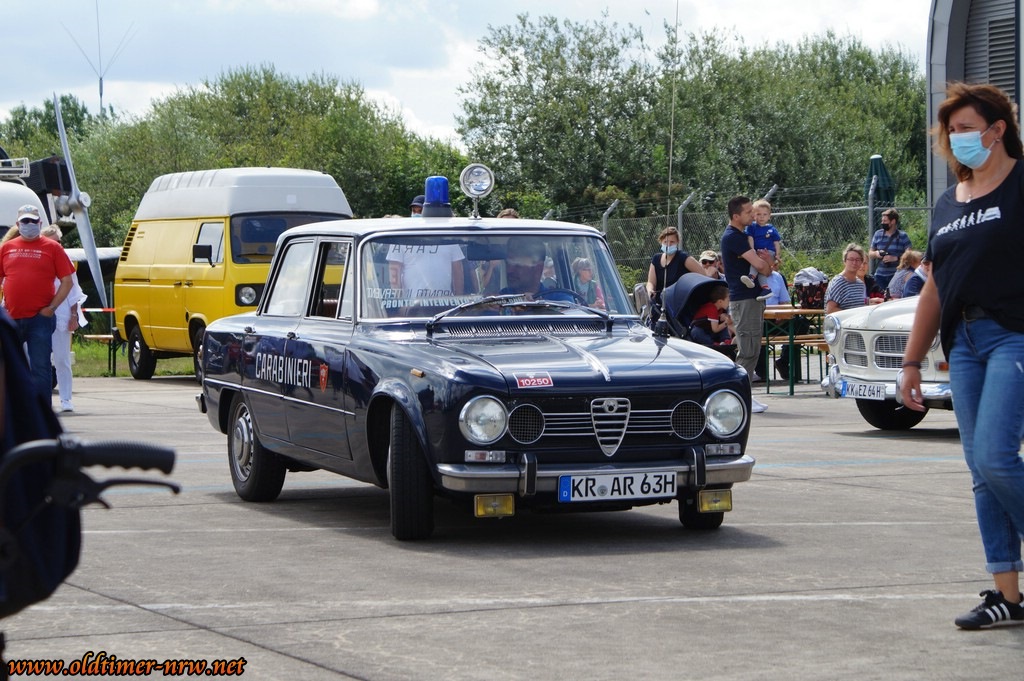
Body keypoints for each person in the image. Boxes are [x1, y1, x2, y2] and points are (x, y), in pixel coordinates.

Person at [899, 82, 1024, 630]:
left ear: (997, 131)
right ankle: (1008, 597)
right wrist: (911, 362)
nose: (956, 138)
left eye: (966, 128)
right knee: (980, 471)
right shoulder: (950, 202)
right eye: (951, 131)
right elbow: (934, 287)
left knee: (996, 457)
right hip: (963, 344)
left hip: (1013, 335)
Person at [0, 205, 75, 400]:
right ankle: (12, 412)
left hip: (39, 319)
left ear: (40, 223)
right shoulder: (7, 248)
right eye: (25, 221)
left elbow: (67, 281)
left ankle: (42, 412)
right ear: (18, 224)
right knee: (7, 367)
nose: (29, 224)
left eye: (33, 221)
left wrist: (52, 308)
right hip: (11, 318)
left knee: (41, 368)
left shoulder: (53, 248)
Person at [720, 196, 773, 413]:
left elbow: (767, 266)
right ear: (736, 216)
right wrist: (766, 263)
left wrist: (767, 264)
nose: (753, 215)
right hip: (744, 299)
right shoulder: (734, 237)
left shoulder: (743, 235)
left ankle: (745, 394)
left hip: (751, 298)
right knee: (748, 349)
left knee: (753, 348)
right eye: (748, 212)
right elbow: (761, 266)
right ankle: (739, 398)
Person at [41, 225, 88, 413]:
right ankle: (41, 401)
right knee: (39, 361)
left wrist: (74, 315)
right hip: (39, 315)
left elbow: (74, 290)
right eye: (53, 241)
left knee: (62, 360)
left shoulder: (66, 259)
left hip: (62, 314)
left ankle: (66, 400)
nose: (57, 244)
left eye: (59, 241)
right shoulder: (39, 258)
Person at [387, 242, 465, 298]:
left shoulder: (447, 235)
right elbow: (394, 276)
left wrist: (457, 303)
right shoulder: (401, 235)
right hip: (411, 307)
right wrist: (400, 304)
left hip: (445, 306)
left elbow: (458, 273)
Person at [646, 226, 703, 301]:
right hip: (659, 303)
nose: (668, 244)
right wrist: (650, 290)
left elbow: (703, 275)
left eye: (672, 242)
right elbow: (651, 282)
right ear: (661, 242)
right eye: (665, 242)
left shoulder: (683, 257)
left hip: (681, 302)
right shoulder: (656, 259)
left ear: (677, 242)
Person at [743, 199, 782, 299]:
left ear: (769, 216)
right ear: (754, 215)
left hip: (769, 252)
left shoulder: (771, 229)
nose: (761, 217)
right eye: (758, 214)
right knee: (761, 270)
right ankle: (766, 288)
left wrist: (777, 255)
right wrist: (752, 249)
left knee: (756, 263)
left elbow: (776, 242)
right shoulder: (752, 227)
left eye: (765, 214)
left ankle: (751, 277)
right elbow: (750, 238)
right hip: (757, 251)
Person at [868, 208, 912, 292]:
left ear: (893, 221)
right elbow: (870, 253)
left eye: (885, 221)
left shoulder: (903, 236)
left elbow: (909, 256)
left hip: (896, 275)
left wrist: (896, 258)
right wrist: (877, 253)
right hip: (880, 275)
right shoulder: (878, 234)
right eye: (882, 221)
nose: (882, 223)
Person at [824, 244, 870, 313]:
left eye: (858, 260)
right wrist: (851, 316)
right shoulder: (838, 282)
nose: (854, 262)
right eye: (851, 259)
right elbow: (830, 310)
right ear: (845, 261)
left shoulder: (860, 284)